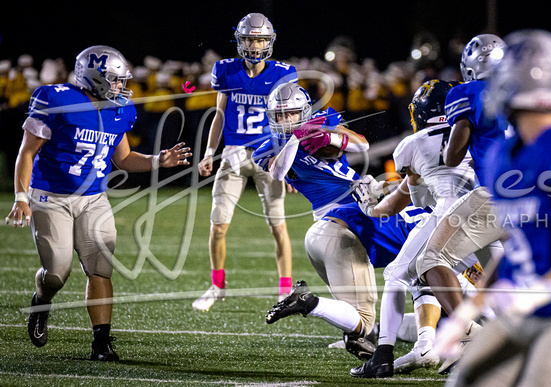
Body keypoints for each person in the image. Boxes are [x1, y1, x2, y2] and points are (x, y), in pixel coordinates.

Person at [5, 45, 191, 361]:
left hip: (93, 198)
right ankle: (42, 298)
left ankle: (101, 344)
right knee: (57, 273)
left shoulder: (121, 110)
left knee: (100, 269)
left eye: (122, 80)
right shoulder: (56, 98)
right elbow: (26, 152)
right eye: (115, 80)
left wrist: (159, 160)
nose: (121, 86)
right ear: (94, 77)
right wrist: (21, 197)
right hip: (52, 196)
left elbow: (125, 158)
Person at [441, 29, 551, 387]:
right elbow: (517, 246)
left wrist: (532, 296)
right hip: (518, 306)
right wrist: (469, 310)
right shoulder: (502, 156)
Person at [255, 82, 428, 360]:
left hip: (356, 204)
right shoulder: (267, 147)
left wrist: (329, 137)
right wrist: (297, 137)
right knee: (421, 250)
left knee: (365, 307)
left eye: (291, 114)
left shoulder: (322, 121)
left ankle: (362, 337)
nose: (285, 120)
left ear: (305, 111)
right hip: (339, 216)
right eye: (280, 115)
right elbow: (278, 172)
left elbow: (361, 144)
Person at [349, 80, 480, 378]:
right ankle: (436, 343)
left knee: (397, 273)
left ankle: (382, 354)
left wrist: (370, 203)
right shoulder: (474, 132)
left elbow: (405, 197)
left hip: (448, 214)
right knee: (450, 275)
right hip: (486, 211)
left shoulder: (411, 144)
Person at [410, 34, 509, 373]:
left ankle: (470, 337)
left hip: (498, 195)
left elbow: (453, 157)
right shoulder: (521, 90)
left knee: (431, 259)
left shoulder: (465, 93)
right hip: (543, 197)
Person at [194, 13, 297, 311]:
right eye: (250, 39)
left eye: (261, 39)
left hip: (270, 154)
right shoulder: (226, 71)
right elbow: (220, 115)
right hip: (234, 153)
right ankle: (217, 285)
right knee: (218, 225)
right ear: (240, 40)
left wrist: (289, 164)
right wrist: (208, 152)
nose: (255, 45)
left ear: (270, 41)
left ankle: (285, 289)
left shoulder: (282, 73)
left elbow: (290, 122)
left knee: (278, 226)